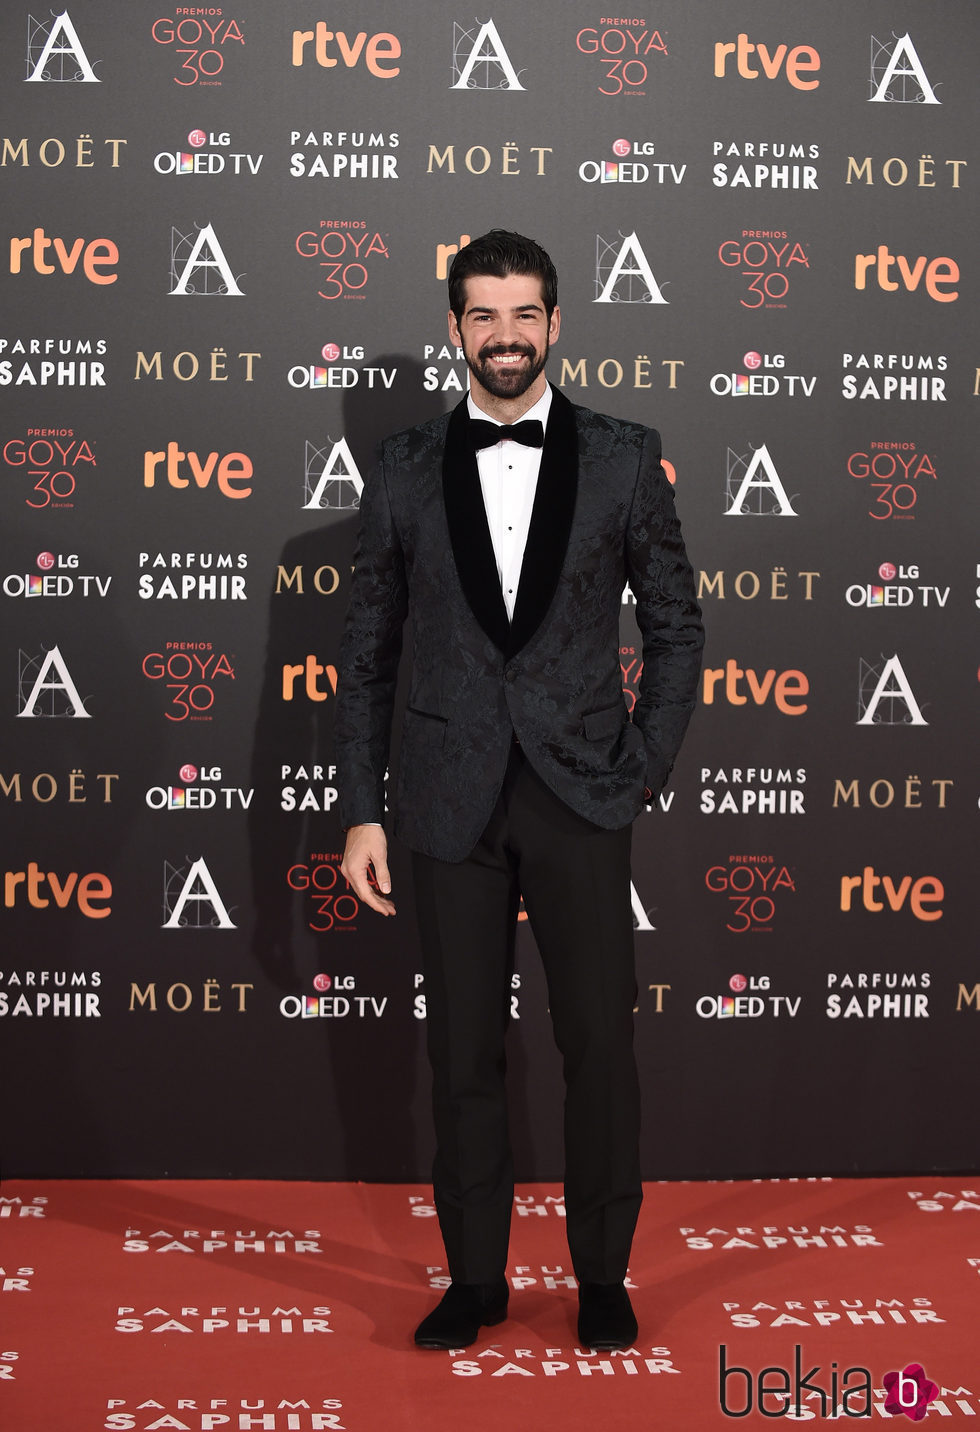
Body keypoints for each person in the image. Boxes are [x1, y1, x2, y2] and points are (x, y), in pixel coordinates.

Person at [336, 230, 703, 1352]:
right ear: (455, 327)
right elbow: (367, 652)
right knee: (461, 1051)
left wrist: (640, 763)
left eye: (524, 313)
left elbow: (675, 625)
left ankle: (601, 1274)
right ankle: (475, 1279)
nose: (504, 335)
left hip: (583, 792)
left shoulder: (625, 454)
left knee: (598, 1041)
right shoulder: (399, 467)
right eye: (482, 315)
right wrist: (362, 805)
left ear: (556, 323)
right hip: (445, 798)